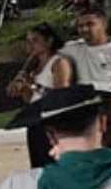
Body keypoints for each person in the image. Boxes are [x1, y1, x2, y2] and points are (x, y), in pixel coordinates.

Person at [62, 7, 111, 159]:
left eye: (90, 24)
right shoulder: (72, 49)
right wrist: (23, 73)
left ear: (104, 24)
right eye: (80, 26)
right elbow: (42, 50)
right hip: (89, 124)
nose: (84, 29)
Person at [8, 24, 75, 170]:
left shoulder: (59, 62)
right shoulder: (34, 66)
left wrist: (34, 86)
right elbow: (30, 99)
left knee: (55, 164)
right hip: (36, 120)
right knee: (38, 165)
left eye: (35, 40)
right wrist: (24, 89)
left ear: (49, 41)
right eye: (28, 41)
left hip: (53, 121)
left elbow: (61, 95)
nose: (30, 45)